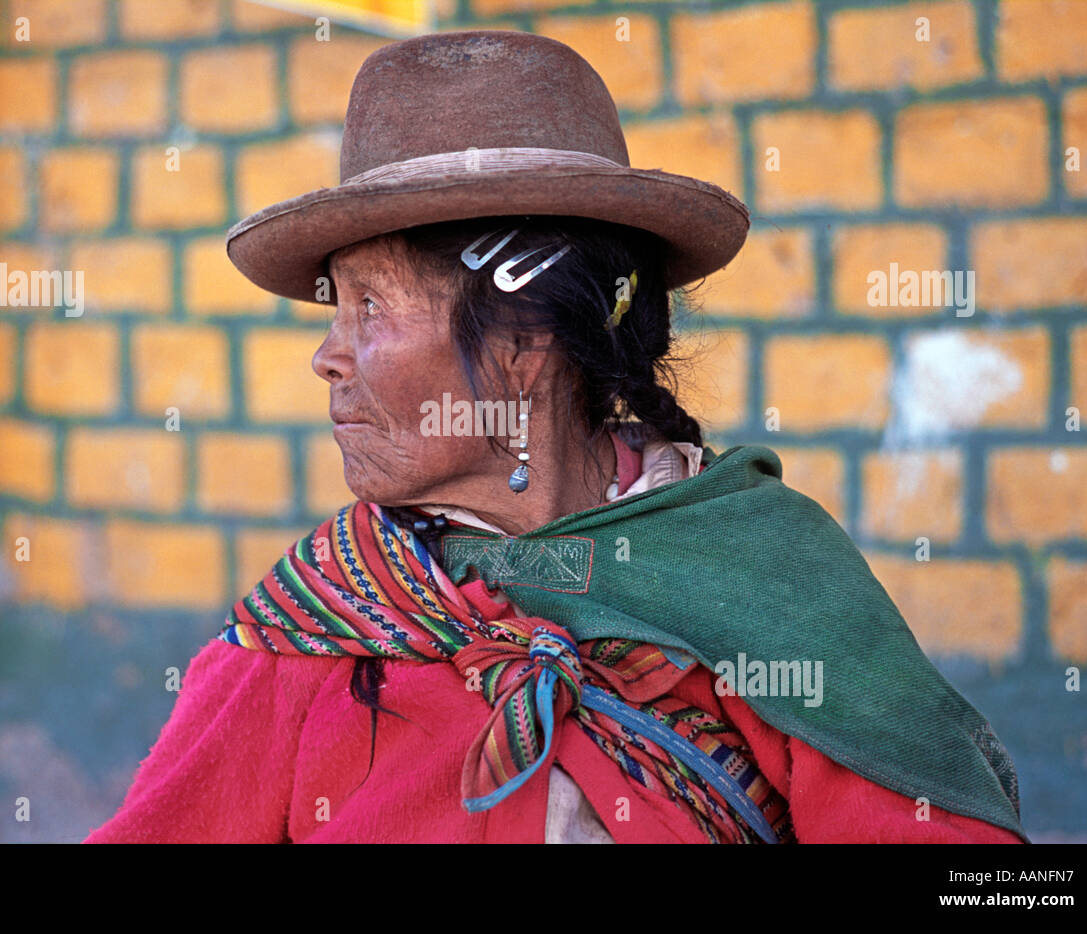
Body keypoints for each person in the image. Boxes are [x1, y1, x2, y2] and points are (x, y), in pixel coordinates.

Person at [84, 29, 1026, 844]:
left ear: (526, 345)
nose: (328, 358)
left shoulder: (765, 582)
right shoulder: (310, 631)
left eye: (369, 307)